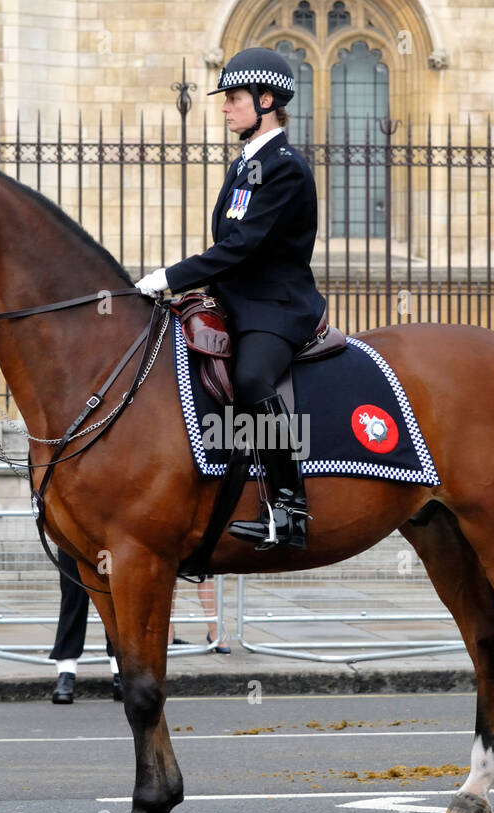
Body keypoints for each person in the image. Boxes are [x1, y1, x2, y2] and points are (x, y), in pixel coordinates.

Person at [134, 47, 325, 550]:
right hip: (235, 300)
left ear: (266, 101)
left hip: (276, 307)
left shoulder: (284, 167)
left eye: (234, 99)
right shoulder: (248, 163)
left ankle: (289, 506)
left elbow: (240, 247)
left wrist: (167, 277)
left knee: (251, 378)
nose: (224, 107)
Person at [50, 547, 119, 704]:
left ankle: (120, 671)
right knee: (72, 597)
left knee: (113, 598)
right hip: (72, 534)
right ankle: (66, 671)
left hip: (108, 534)